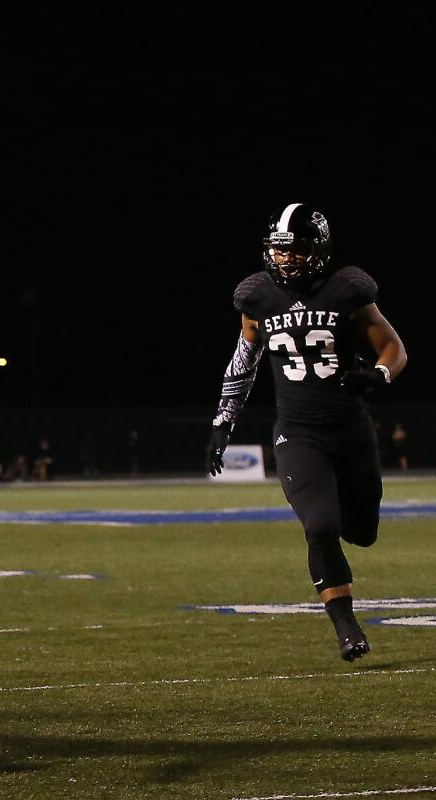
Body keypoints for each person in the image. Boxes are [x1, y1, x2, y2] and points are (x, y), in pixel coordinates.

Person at [207, 203, 406, 663]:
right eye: (279, 250)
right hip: (298, 434)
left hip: (351, 429)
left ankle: (349, 578)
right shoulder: (257, 297)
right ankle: (347, 628)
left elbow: (393, 345)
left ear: (317, 250)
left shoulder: (348, 288)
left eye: (295, 251)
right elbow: (245, 360)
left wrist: (377, 376)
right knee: (320, 527)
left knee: (363, 531)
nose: (285, 259)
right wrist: (223, 419)